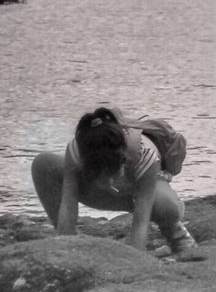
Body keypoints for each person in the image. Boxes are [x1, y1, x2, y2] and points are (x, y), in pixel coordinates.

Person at [31, 107, 196, 255]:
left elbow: (141, 219)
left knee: (168, 207)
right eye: (103, 176)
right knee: (43, 164)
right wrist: (66, 249)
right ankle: (68, 238)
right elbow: (69, 202)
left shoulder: (145, 155)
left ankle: (175, 233)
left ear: (124, 160)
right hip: (99, 190)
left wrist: (133, 261)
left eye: (112, 175)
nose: (109, 181)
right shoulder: (77, 151)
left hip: (139, 191)